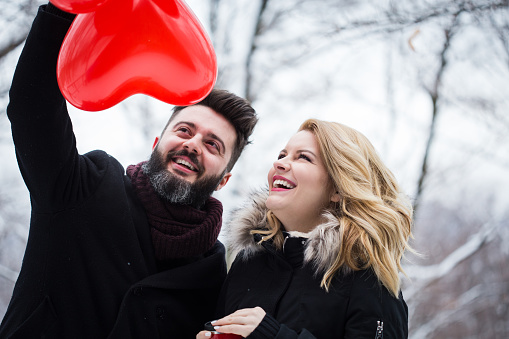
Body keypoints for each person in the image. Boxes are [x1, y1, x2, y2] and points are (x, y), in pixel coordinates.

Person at [0, 3, 257, 339]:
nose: (193, 144)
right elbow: (32, 104)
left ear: (224, 179)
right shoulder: (84, 186)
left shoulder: (213, 277)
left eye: (213, 145)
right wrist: (62, 12)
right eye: (184, 130)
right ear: (156, 142)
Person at [197, 119, 413, 338]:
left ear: (338, 188)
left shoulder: (370, 281)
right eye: (282, 155)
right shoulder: (248, 261)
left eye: (303, 157)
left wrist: (273, 336)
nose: (279, 164)